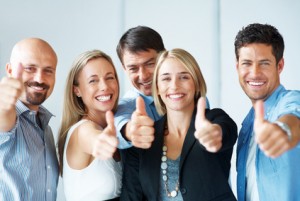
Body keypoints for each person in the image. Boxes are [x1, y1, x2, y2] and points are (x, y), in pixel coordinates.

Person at [120, 48, 237, 201]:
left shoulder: (214, 120)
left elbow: (226, 131)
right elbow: (131, 196)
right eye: (166, 79)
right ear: (157, 87)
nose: (174, 86)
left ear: (196, 83)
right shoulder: (145, 138)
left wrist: (214, 134)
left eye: (183, 77)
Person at [234, 23, 300, 201]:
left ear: (279, 66)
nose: (254, 73)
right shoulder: (247, 126)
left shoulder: (291, 100)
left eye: (264, 63)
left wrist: (283, 131)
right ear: (237, 67)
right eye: (247, 63)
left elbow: (294, 119)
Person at [57, 50, 122, 201]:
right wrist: (101, 141)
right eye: (93, 80)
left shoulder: (112, 127)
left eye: (110, 77)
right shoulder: (83, 130)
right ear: (77, 90)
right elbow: (92, 138)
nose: (104, 86)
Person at [0, 38, 59, 201]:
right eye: (30, 68)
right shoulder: (8, 116)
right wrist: (4, 105)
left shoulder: (45, 126)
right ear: (10, 71)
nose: (40, 78)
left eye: (48, 70)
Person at [114, 25, 166, 150]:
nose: (143, 76)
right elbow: (120, 125)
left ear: (164, 57)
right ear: (124, 68)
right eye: (133, 68)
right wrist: (130, 131)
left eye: (149, 64)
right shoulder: (128, 105)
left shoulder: (189, 96)